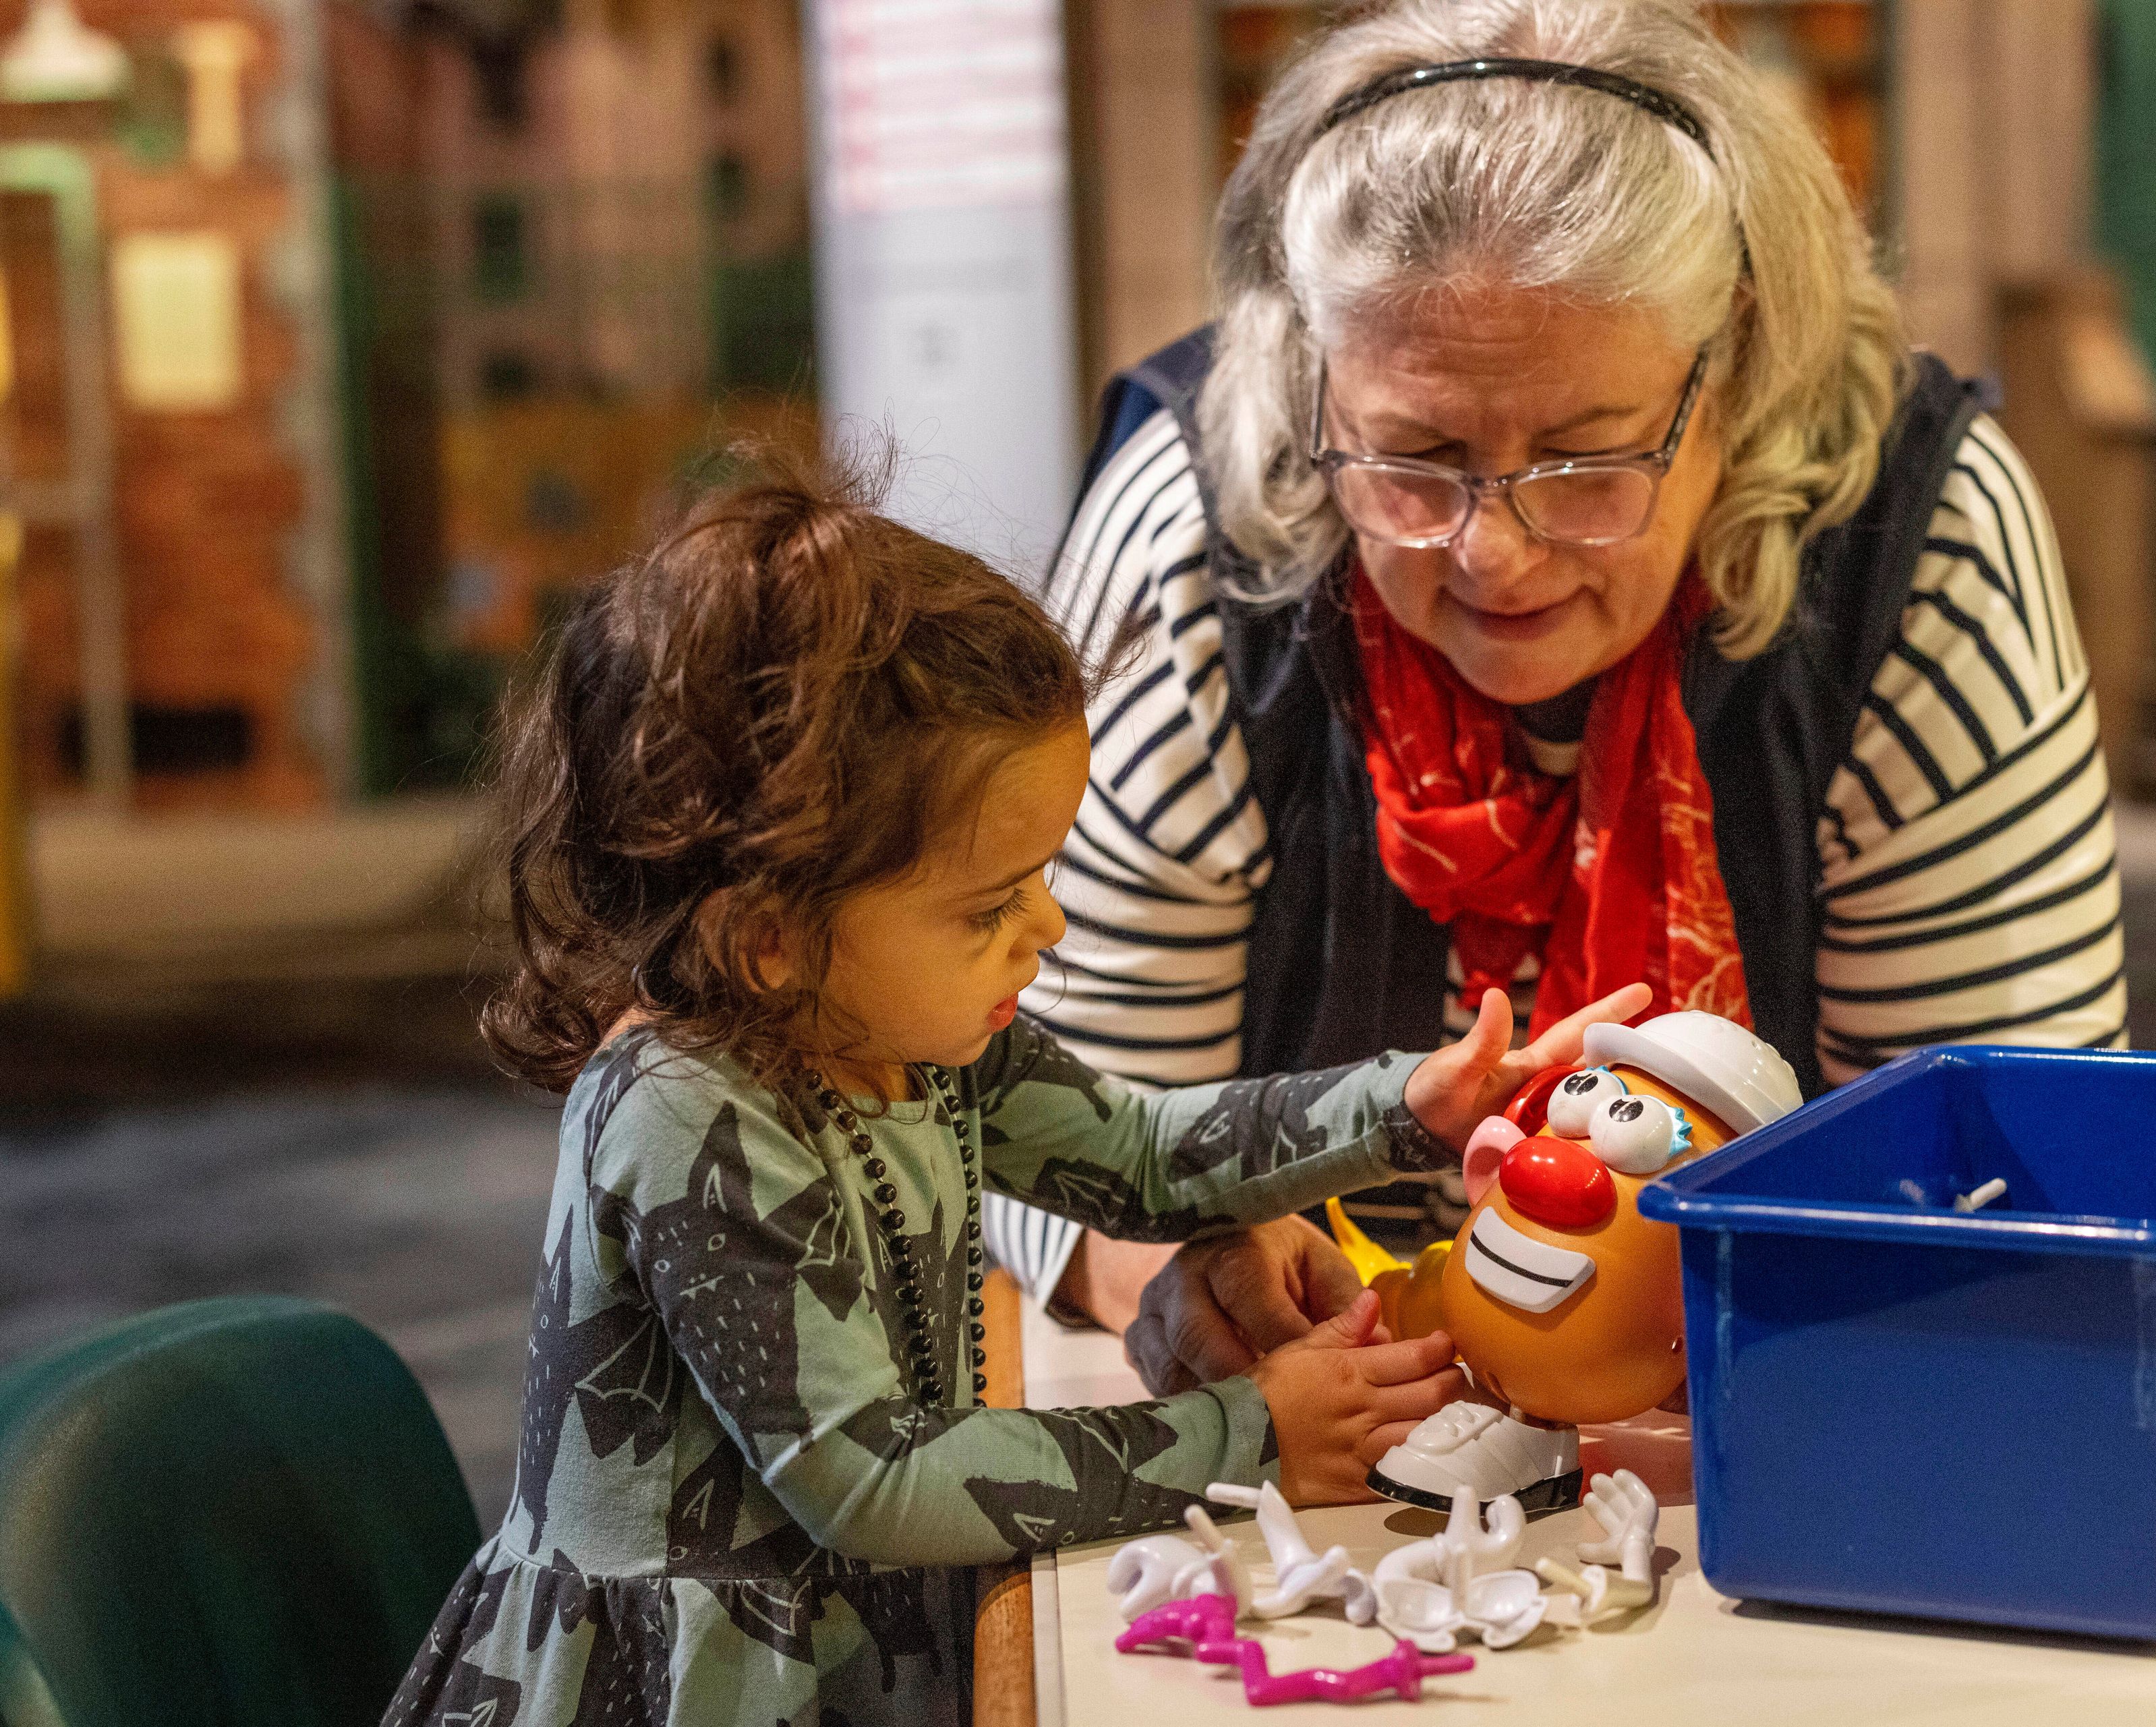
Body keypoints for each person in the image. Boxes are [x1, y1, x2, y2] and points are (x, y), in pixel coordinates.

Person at [383, 452, 1648, 1723]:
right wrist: (1242, 1430)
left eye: (1042, 875)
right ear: (768, 933)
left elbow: (1143, 1157)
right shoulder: (687, 1112)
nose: (1045, 927)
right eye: (990, 903)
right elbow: (869, 1478)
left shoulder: (908, 1027)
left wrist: (1412, 1104)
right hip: (687, 1687)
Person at [993, 0, 2129, 1390]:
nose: (1495, 550)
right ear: (1311, 379)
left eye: (1589, 457)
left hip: (1781, 1404)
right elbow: (1048, 1136)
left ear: (1738, 368)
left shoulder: (1920, 543)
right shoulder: (1190, 542)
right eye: (1413, 456)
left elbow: (1997, 1159)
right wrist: (1191, 1272)